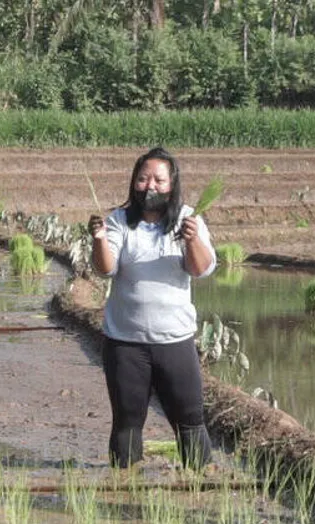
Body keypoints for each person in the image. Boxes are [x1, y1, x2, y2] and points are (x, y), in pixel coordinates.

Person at [88, 146, 216, 470]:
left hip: (174, 340)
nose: (151, 185)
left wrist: (192, 240)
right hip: (126, 343)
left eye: (158, 179)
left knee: (189, 419)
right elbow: (105, 269)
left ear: (171, 184)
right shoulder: (118, 220)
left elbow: (200, 269)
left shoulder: (189, 219)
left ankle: (201, 485)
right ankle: (126, 489)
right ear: (134, 183)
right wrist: (100, 239)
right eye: (143, 179)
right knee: (127, 421)